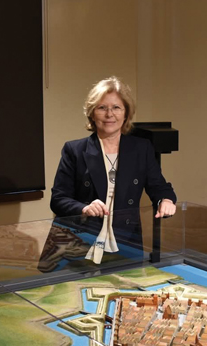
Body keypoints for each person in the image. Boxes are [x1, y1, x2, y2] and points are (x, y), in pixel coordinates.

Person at [49, 77, 176, 264]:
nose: (110, 114)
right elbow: (58, 199)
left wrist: (166, 200)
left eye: (116, 107)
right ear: (92, 114)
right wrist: (84, 208)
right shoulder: (74, 150)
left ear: (126, 114)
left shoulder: (141, 148)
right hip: (81, 241)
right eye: (102, 108)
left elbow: (159, 186)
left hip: (126, 241)